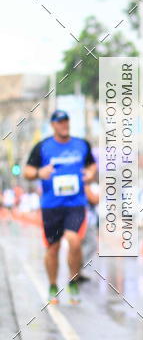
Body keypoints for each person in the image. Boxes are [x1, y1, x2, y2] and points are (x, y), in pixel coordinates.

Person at [24, 110, 97, 305]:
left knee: (74, 241)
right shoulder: (43, 147)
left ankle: (73, 281)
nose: (63, 125)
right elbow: (27, 171)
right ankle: (53, 285)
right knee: (53, 247)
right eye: (59, 122)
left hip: (75, 203)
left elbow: (92, 166)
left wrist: (90, 175)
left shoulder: (81, 145)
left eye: (66, 121)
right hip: (51, 206)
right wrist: (40, 172)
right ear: (53, 125)